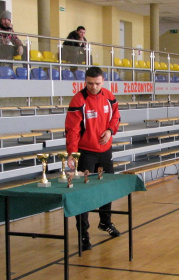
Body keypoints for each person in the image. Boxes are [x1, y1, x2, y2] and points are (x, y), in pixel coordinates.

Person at [65, 66, 121, 250]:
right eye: (90, 83)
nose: (94, 87)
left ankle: (105, 222)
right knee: (83, 194)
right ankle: (83, 234)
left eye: (97, 83)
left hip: (105, 150)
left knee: (107, 188)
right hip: (86, 153)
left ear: (103, 81)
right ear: (85, 81)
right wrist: (71, 153)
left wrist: (110, 131)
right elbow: (72, 129)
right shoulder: (78, 99)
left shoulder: (109, 96)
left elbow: (116, 117)